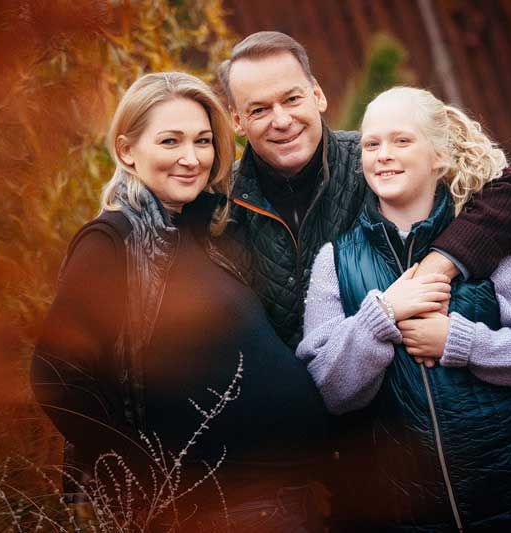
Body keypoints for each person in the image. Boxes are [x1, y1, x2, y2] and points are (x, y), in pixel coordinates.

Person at [31, 72, 332, 532]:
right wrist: (147, 479)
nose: (191, 158)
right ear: (128, 150)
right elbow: (57, 375)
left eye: (203, 141)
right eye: (170, 141)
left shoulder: (208, 234)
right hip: (218, 511)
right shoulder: (114, 241)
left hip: (288, 500)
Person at [296, 86, 511, 531]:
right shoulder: (334, 263)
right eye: (372, 144)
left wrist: (460, 341)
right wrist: (382, 316)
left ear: (440, 157)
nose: (383, 155)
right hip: (413, 515)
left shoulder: (486, 245)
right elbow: (330, 389)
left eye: (402, 140)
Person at [217, 31, 511, 349]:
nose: (281, 120)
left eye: (291, 99)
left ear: (317, 95)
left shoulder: (376, 163)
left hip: (393, 399)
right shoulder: (219, 199)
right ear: (236, 120)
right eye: (259, 109)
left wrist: (434, 269)